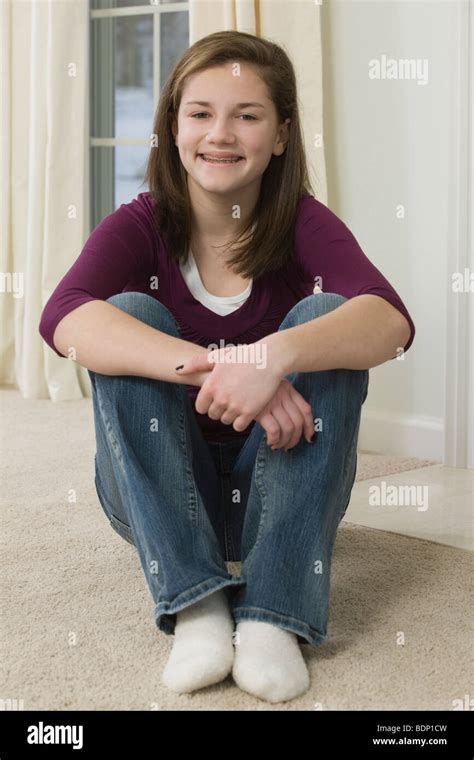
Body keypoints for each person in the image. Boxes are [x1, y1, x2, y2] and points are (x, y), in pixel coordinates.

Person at [38, 30, 415, 704]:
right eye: (201, 113)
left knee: (330, 316)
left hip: (275, 495)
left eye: (247, 115)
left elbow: (389, 322)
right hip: (154, 496)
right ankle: (196, 602)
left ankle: (274, 615)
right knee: (126, 311)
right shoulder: (141, 224)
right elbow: (63, 317)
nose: (221, 133)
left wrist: (273, 358)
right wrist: (222, 367)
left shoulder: (303, 223)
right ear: (173, 128)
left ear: (280, 135)